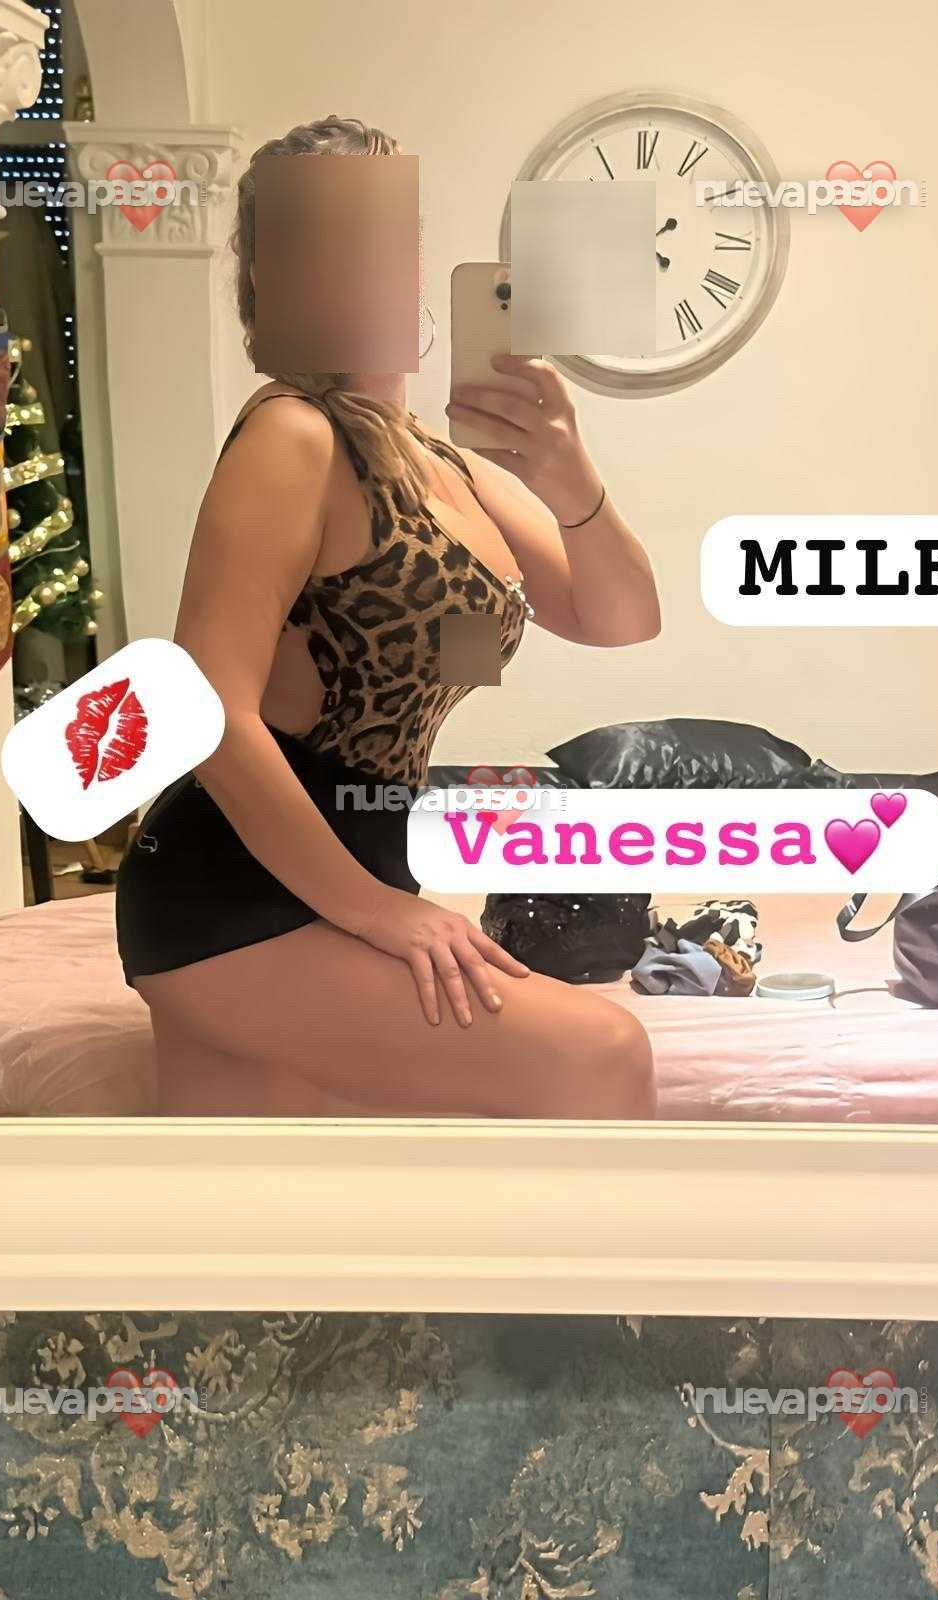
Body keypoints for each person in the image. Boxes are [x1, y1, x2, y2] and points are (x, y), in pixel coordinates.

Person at [115, 115, 663, 1117]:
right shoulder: (294, 438)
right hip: (233, 893)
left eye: (385, 233)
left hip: (352, 872)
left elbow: (621, 616)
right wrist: (373, 910)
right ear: (269, 276)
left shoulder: (439, 461)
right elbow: (206, 709)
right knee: (604, 1054)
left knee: (278, 1205)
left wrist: (569, 475)